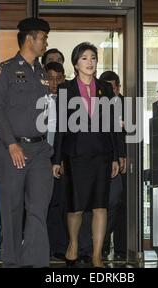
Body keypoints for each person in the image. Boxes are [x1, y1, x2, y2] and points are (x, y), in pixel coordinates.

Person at [0, 17, 53, 268]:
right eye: (43, 38)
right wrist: (11, 144)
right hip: (11, 149)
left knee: (39, 207)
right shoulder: (3, 70)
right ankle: (12, 262)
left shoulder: (42, 73)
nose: (46, 43)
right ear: (30, 38)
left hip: (39, 151)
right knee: (12, 208)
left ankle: (36, 263)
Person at [52, 42, 120, 268]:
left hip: (101, 154)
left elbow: (112, 125)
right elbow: (62, 125)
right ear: (75, 63)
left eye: (93, 58)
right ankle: (73, 245)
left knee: (101, 206)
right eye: (84, 58)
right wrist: (56, 159)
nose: (90, 62)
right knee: (76, 208)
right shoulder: (65, 89)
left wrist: (116, 156)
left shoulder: (106, 89)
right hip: (75, 155)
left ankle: (97, 255)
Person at [99, 70, 127, 260]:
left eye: (114, 87)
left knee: (119, 204)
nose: (111, 91)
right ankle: (100, 246)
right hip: (101, 161)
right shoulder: (97, 105)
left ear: (118, 87)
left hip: (124, 162)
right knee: (103, 204)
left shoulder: (127, 105)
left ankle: (120, 249)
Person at [44, 61, 68, 260]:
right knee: (42, 203)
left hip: (61, 157)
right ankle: (45, 245)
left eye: (58, 79)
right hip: (39, 156)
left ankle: (60, 246)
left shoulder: (69, 101)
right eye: (50, 78)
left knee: (60, 203)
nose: (54, 83)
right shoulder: (36, 98)